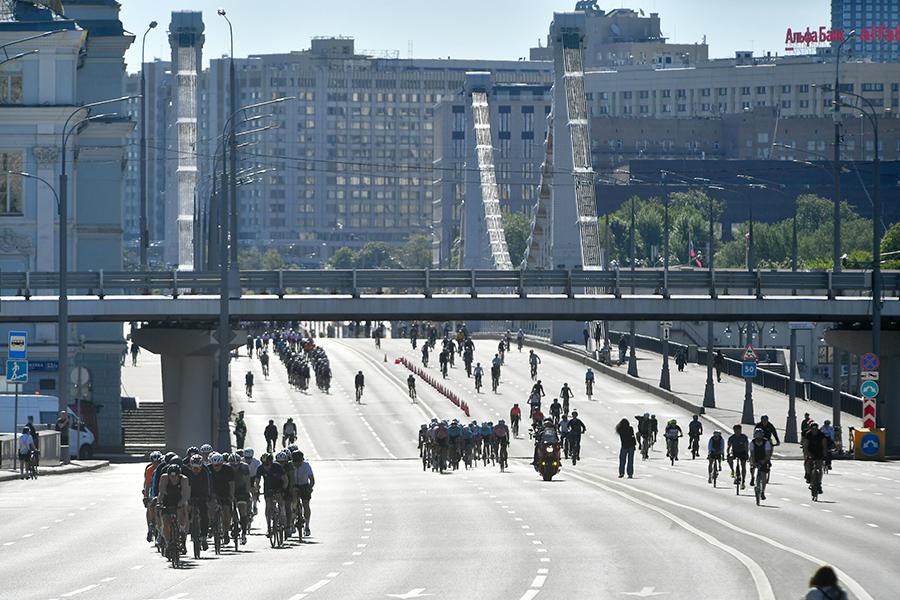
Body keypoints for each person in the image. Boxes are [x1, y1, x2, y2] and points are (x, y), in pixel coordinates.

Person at [157, 464, 190, 552]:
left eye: (175, 476)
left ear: (179, 475)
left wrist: (181, 504)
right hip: (167, 499)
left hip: (179, 498)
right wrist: (159, 503)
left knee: (183, 510)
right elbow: (161, 492)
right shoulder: (164, 478)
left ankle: (182, 530)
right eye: (171, 476)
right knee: (165, 521)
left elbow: (185, 495)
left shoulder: (184, 479)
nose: (173, 478)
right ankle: (168, 543)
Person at [208, 453, 235, 544]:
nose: (216, 467)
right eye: (215, 465)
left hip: (225, 492)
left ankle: (226, 531)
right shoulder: (208, 469)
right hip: (212, 492)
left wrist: (231, 495)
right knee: (210, 507)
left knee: (226, 511)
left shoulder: (228, 469)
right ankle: (212, 523)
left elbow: (231, 484)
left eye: (219, 465)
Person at [292, 451, 315, 537]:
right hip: (294, 485)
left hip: (304, 485)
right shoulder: (291, 465)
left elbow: (312, 479)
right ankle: (292, 518)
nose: (297, 463)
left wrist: (310, 488)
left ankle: (307, 526)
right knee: (292, 502)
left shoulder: (306, 465)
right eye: (295, 462)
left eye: (299, 461)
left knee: (306, 505)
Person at [805, 422, 829, 496]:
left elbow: (824, 446)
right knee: (808, 463)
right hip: (811, 451)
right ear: (811, 429)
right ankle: (808, 475)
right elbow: (806, 445)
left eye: (815, 429)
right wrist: (807, 454)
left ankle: (819, 483)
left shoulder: (821, 435)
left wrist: (825, 456)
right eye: (813, 429)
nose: (814, 430)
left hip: (819, 452)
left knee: (819, 467)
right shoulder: (808, 434)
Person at [749, 428, 773, 495]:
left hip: (764, 457)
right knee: (752, 466)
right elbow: (752, 453)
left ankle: (763, 491)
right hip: (755, 457)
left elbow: (768, 454)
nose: (758, 437)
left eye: (760, 435)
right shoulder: (752, 443)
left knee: (764, 474)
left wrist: (765, 461)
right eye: (757, 435)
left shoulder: (766, 442)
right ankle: (752, 477)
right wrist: (753, 462)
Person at [727, 424, 750, 488]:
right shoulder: (731, 437)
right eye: (735, 430)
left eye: (738, 430)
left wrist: (747, 453)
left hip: (742, 452)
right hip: (734, 452)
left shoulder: (744, 437)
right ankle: (733, 471)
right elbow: (729, 447)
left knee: (743, 465)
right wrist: (728, 454)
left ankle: (743, 481)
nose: (737, 432)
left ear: (740, 430)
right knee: (729, 459)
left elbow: (746, 446)